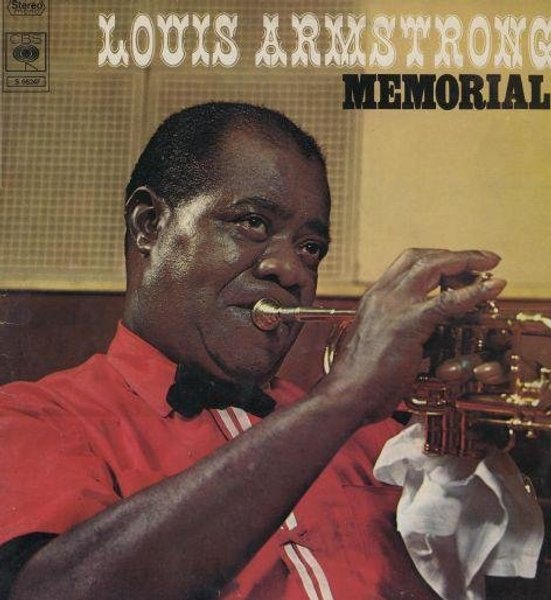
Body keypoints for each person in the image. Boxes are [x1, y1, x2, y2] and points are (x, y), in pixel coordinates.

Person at [0, 103, 506, 600]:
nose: (290, 269)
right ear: (148, 223)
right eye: (253, 223)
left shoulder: (379, 437)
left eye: (310, 247)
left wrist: (464, 455)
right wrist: (341, 398)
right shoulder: (35, 418)